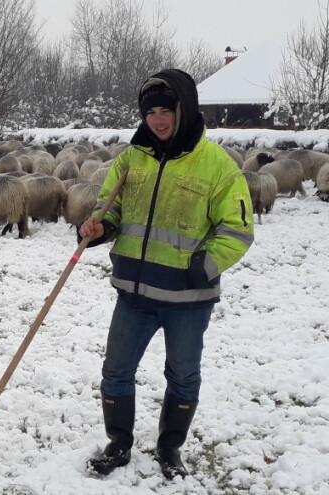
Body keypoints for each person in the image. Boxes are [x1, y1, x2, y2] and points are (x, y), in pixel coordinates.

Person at [78, 68, 254, 479]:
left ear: (184, 109)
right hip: (134, 293)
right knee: (116, 371)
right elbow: (111, 208)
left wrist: (201, 268)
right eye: (150, 112)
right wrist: (100, 227)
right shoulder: (131, 159)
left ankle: (170, 447)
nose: (158, 120)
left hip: (187, 299)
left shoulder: (217, 166)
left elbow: (238, 230)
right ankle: (119, 442)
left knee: (183, 375)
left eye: (166, 110)